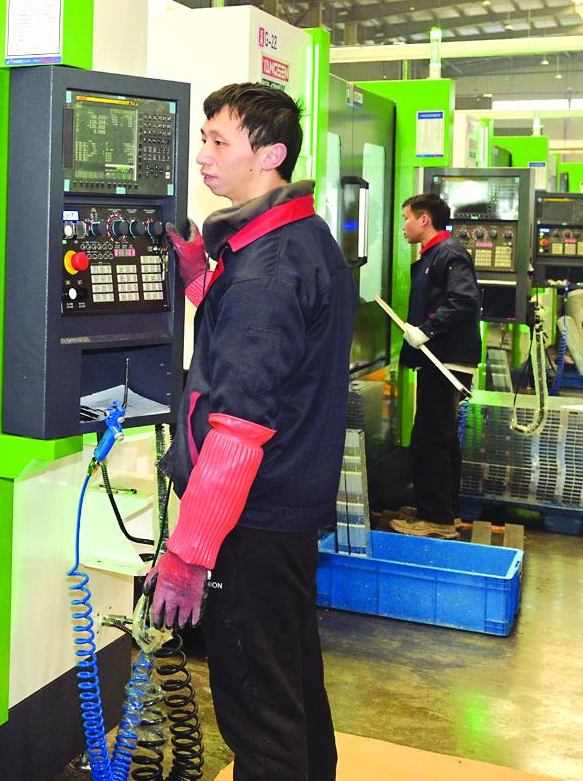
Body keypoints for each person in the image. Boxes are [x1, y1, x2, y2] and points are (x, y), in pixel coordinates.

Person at [149, 82, 355, 781]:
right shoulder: (302, 240)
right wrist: (200, 281)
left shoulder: (264, 273)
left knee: (257, 711)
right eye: (203, 138)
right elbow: (268, 349)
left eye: (219, 142)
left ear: (270, 155)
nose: (203, 156)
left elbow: (238, 430)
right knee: (290, 685)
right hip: (288, 513)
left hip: (250, 519)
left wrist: (189, 553)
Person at [390, 193, 481, 539]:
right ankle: (446, 511)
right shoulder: (433, 255)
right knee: (441, 437)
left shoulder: (448, 253)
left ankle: (437, 519)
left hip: (446, 362)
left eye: (407, 218)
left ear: (424, 219)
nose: (404, 225)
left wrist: (426, 330)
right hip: (437, 359)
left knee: (430, 438)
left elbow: (464, 300)